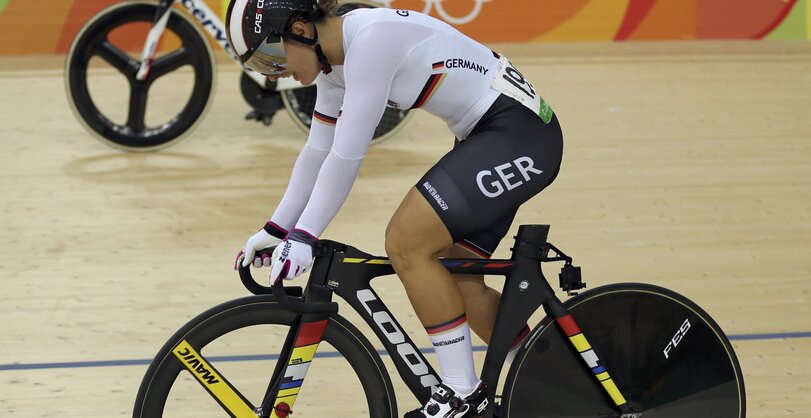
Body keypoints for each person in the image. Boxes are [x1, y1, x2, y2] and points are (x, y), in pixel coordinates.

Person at [226, 1, 563, 417]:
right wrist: (277, 229)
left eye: (272, 57)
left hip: (518, 135)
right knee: (460, 282)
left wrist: (305, 236)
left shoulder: (371, 41)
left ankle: (462, 394)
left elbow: (346, 158)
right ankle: (557, 379)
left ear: (300, 29)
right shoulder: (334, 63)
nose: (274, 73)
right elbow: (316, 153)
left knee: (406, 242)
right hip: (492, 137)